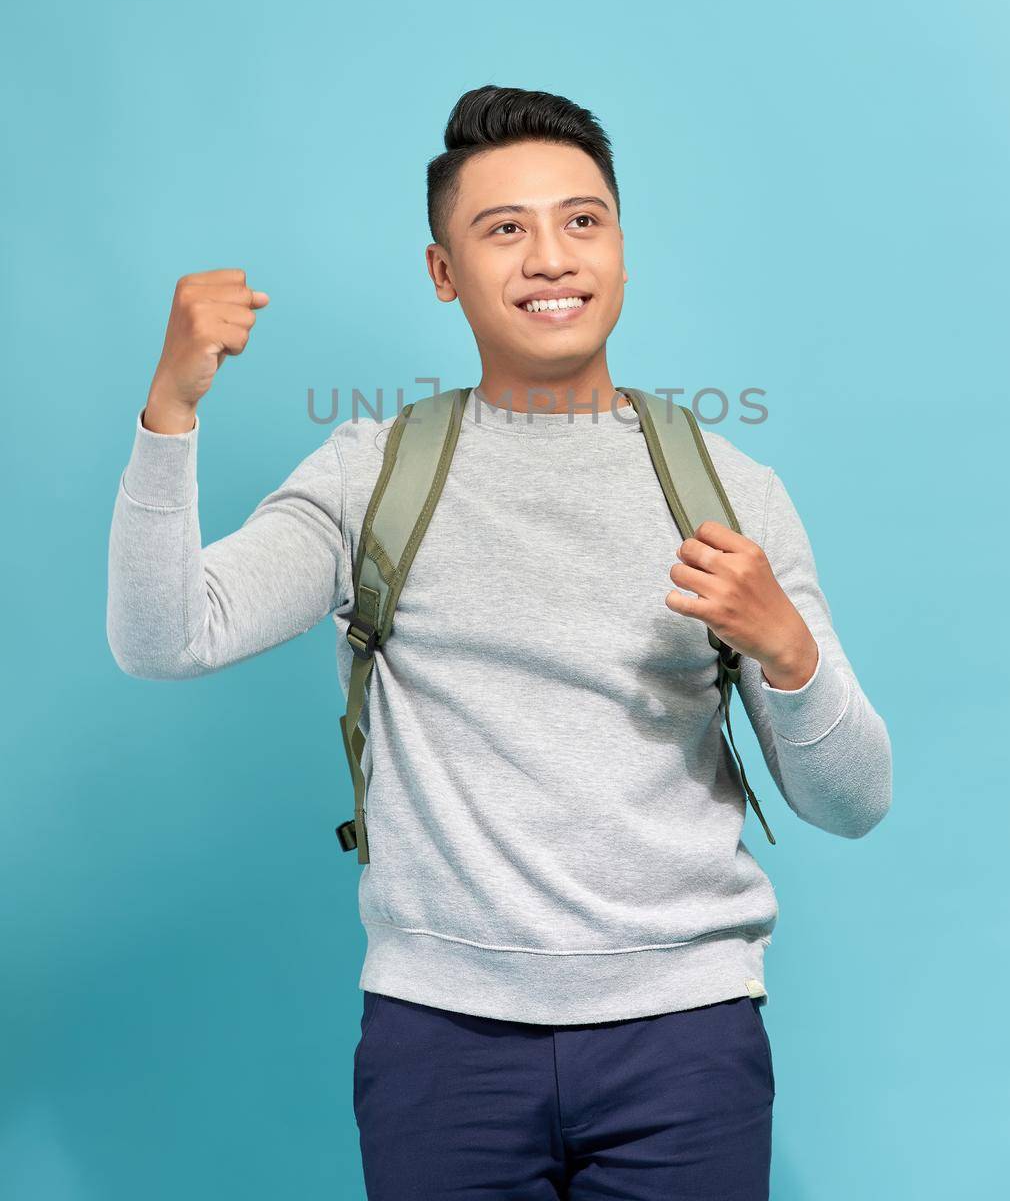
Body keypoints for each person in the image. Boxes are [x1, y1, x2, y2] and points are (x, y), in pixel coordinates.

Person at [107, 84, 892, 1200]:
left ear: (622, 247)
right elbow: (165, 634)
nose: (550, 258)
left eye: (582, 221)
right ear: (443, 272)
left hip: (688, 1038)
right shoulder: (371, 473)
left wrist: (788, 648)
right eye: (503, 228)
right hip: (441, 1046)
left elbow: (854, 800)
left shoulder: (730, 489)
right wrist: (170, 409)